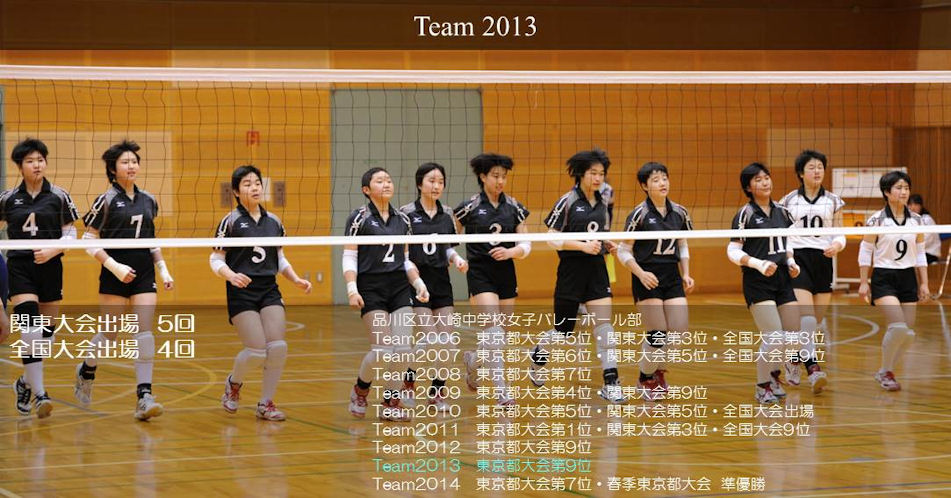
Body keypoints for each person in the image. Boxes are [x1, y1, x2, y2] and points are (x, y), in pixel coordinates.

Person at [74, 140, 174, 421]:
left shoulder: (149, 199)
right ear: (112, 169)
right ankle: (86, 369)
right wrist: (114, 266)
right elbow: (88, 240)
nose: (131, 166)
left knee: (145, 333)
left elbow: (151, 239)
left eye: (134, 161)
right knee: (110, 334)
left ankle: (144, 396)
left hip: (144, 272)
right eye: (125, 162)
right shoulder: (105, 200)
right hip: (114, 271)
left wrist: (163, 269)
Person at [211, 165, 312, 421]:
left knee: (278, 347)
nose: (254, 187)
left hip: (268, 288)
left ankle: (266, 403)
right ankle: (233, 384)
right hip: (241, 290)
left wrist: (296, 279)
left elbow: (280, 259)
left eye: (257, 183)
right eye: (247, 184)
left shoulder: (274, 221)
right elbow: (215, 259)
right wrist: (231, 275)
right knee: (256, 351)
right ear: (236, 191)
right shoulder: (230, 221)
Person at [529, 149, 626, 403]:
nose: (598, 178)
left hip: (597, 270)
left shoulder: (604, 201)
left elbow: (600, 232)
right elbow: (551, 238)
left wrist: (607, 243)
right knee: (563, 332)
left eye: (601, 173)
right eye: (593, 173)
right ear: (581, 173)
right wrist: (582, 246)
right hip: (571, 272)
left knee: (605, 328)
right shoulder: (568, 201)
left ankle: (611, 382)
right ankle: (538, 355)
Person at [0, 138, 79, 419]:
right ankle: (41, 394)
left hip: (51, 267)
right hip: (20, 267)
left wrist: (53, 249)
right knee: (30, 328)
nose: (37, 165)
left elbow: (71, 233)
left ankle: (24, 382)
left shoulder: (58, 195)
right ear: (20, 166)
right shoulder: (8, 198)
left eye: (40, 160)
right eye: (30, 161)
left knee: (46, 336)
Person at [345, 167, 430, 422]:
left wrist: (418, 283)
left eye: (389, 180)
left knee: (403, 350)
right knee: (383, 351)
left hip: (399, 287)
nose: (386, 184)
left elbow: (405, 259)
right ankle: (361, 389)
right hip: (371, 288)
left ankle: (390, 402)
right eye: (379, 181)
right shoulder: (359, 218)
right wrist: (352, 289)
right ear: (366, 189)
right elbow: (349, 256)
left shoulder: (403, 219)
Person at [455, 153, 531, 406]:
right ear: (483, 176)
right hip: (480, 273)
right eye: (495, 176)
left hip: (506, 271)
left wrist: (511, 252)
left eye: (504, 177)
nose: (500, 181)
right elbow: (450, 238)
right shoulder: (470, 207)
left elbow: (526, 244)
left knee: (501, 336)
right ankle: (502, 392)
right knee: (495, 333)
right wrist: (457, 259)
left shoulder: (514, 207)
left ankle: (473, 359)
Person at [616, 161, 694, 401]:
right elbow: (623, 251)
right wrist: (640, 273)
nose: (662, 183)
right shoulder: (638, 214)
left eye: (664, 178)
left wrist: (686, 273)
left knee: (679, 333)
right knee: (657, 334)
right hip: (647, 276)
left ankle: (657, 369)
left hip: (671, 275)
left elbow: (682, 244)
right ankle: (645, 378)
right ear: (644, 186)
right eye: (656, 180)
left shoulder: (680, 212)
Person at [726, 162, 801, 404]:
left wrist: (791, 261)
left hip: (782, 279)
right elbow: (732, 251)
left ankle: (773, 375)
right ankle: (762, 386)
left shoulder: (783, 212)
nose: (765, 182)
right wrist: (758, 264)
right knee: (774, 337)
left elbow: (788, 242)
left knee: (794, 337)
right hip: (758, 281)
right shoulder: (745, 214)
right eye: (758, 180)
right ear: (748, 187)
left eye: (766, 177)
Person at [400, 163, 468, 411]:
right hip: (417, 281)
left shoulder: (447, 214)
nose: (437, 186)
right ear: (420, 184)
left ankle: (437, 391)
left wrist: (457, 259)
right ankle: (408, 383)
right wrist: (415, 281)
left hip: (441, 281)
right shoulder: (406, 214)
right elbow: (403, 253)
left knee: (447, 342)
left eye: (440, 181)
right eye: (431, 181)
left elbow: (447, 247)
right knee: (430, 340)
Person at [858, 171, 929, 391]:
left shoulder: (917, 220)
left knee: (908, 334)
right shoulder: (877, 219)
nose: (904, 192)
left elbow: (920, 253)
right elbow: (865, 250)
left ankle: (885, 370)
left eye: (906, 188)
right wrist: (863, 282)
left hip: (908, 277)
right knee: (898, 327)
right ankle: (886, 373)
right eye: (898, 188)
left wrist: (924, 283)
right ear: (887, 192)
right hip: (884, 277)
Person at [777, 150, 841, 394]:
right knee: (807, 318)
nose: (817, 171)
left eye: (820, 167)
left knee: (815, 321)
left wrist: (838, 244)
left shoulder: (833, 200)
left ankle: (793, 359)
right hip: (798, 259)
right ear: (800, 173)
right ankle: (813, 368)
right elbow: (783, 235)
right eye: (812, 167)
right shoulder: (788, 200)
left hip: (823, 260)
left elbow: (839, 232)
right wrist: (789, 259)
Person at [908, 194, 940, 264]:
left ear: (921, 206)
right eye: (910, 204)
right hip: (915, 251)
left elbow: (926, 241)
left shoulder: (927, 219)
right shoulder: (909, 220)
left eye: (916, 204)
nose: (913, 207)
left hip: (929, 253)